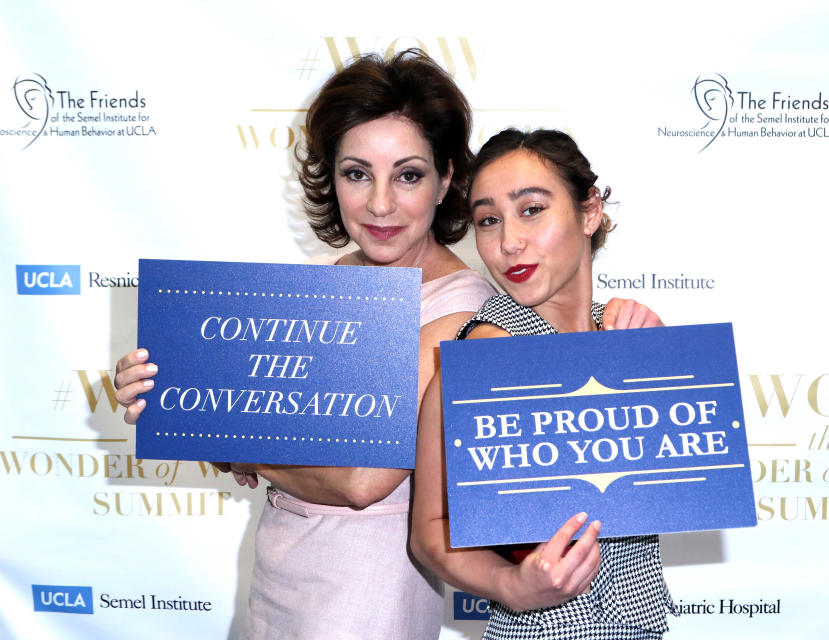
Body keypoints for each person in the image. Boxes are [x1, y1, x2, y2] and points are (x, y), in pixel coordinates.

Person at [114, 52, 660, 638]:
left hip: (368, 595)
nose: (380, 204)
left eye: (407, 175)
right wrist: (165, 390)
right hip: (281, 573)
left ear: (446, 178)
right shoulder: (320, 286)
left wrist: (244, 452)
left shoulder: (466, 311)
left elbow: (360, 480)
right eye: (356, 173)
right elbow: (250, 418)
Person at [411, 128, 675, 640]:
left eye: (531, 209)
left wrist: (658, 363)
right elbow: (429, 530)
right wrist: (511, 585)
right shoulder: (489, 350)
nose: (509, 242)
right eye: (488, 220)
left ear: (589, 211)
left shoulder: (623, 329)